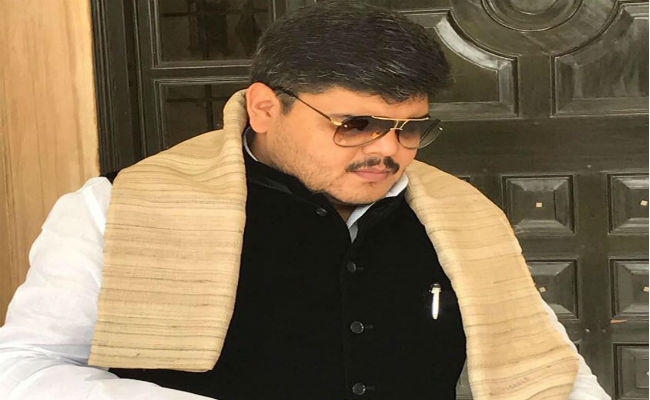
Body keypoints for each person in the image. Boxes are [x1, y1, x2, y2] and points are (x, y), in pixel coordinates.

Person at [0, 1, 610, 399]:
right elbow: (25, 368)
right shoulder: (116, 208)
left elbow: (547, 365)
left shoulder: (465, 217)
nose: (388, 151)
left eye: (410, 128)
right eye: (355, 124)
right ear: (265, 108)